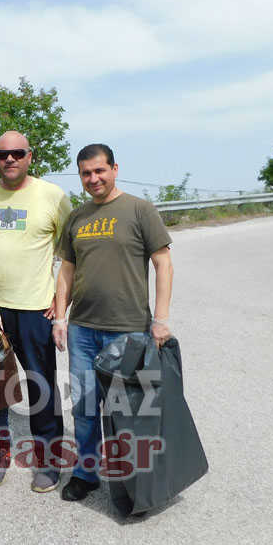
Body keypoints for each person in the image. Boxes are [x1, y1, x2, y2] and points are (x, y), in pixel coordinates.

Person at [52, 143, 173, 502]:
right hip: (82, 330)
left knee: (128, 411)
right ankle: (85, 474)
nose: (93, 179)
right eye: (86, 173)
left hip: (129, 330)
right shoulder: (77, 217)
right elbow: (67, 270)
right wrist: (60, 317)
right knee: (85, 407)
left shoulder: (139, 210)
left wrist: (161, 319)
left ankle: (134, 482)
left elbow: (163, 263)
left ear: (115, 169)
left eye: (99, 171)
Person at [0, 131, 73, 493]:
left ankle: (48, 458)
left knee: (39, 383)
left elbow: (72, 254)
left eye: (17, 153)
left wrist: (61, 302)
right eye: (2, 154)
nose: (10, 159)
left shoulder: (53, 196)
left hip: (35, 309)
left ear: (30, 156)